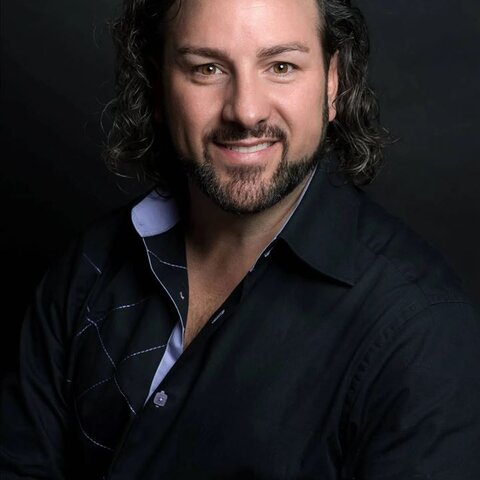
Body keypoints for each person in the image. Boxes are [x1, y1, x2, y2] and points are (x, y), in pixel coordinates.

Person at [1, 0, 479, 478]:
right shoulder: (89, 266)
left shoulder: (421, 335)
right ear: (158, 85)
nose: (246, 111)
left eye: (281, 66)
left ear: (333, 83)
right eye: (207, 68)